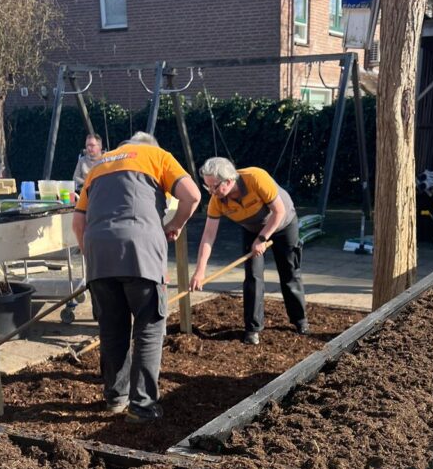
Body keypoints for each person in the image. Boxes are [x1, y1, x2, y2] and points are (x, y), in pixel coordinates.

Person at [71, 131, 200, 423]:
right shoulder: (157, 156)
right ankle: (142, 406)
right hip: (140, 252)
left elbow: (78, 223)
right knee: (148, 327)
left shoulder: (99, 165)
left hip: (99, 254)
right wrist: (175, 224)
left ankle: (115, 399)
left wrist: (93, 256)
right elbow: (192, 196)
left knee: (112, 329)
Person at [191, 157, 309, 346]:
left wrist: (262, 239)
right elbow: (208, 236)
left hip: (283, 224)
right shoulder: (217, 201)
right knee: (253, 276)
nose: (211, 192)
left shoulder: (256, 178)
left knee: (289, 271)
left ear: (229, 180)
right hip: (252, 229)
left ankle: (300, 320)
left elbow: (278, 212)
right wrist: (200, 270)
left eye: (214, 186)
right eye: (208, 187)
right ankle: (253, 328)